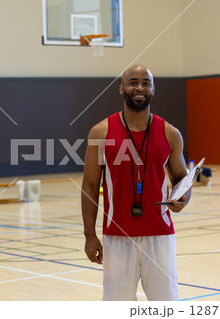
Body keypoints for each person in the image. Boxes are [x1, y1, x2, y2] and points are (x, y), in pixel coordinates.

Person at [81, 64, 190, 301]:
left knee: (166, 305)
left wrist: (183, 198)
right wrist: (90, 235)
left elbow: (181, 179)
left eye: (145, 83)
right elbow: (89, 185)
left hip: (159, 235)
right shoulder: (101, 132)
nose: (139, 88)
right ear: (121, 89)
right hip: (117, 236)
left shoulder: (170, 133)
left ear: (153, 89)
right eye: (133, 82)